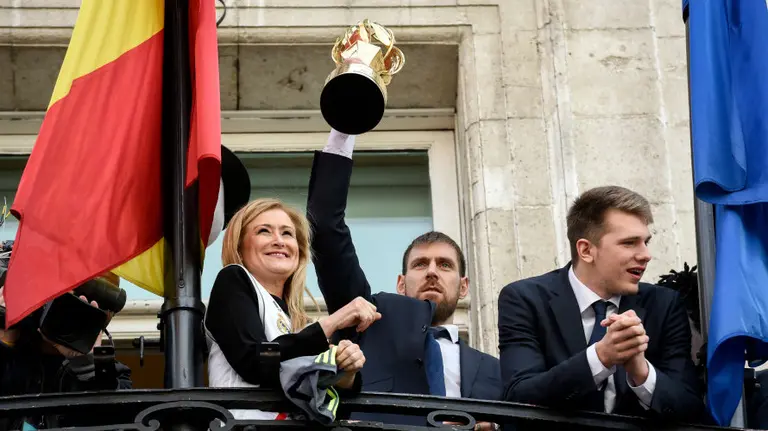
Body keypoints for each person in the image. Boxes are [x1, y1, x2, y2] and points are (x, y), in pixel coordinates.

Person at [306, 129, 502, 429]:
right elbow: (325, 230)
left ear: (464, 286)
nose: (432, 271)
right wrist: (344, 130)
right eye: (421, 264)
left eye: (445, 265)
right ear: (401, 284)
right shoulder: (370, 321)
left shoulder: (494, 369)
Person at [497, 186, 704, 422]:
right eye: (629, 243)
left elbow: (691, 409)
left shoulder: (664, 304)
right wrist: (601, 357)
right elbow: (518, 396)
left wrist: (641, 372)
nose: (645, 254)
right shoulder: (525, 299)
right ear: (586, 250)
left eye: (646, 242)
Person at [204, 198, 377, 421]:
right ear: (239, 245)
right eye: (264, 231)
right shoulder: (233, 279)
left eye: (287, 233)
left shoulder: (296, 322)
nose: (279, 241)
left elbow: (316, 397)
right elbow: (254, 360)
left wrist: (345, 372)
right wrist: (331, 323)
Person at [0, 285, 132, 430]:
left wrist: (86, 364)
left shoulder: (112, 375)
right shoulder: (15, 359)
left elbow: (118, 419)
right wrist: (6, 335)